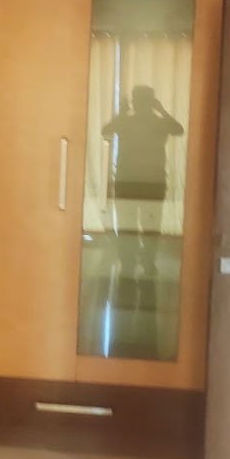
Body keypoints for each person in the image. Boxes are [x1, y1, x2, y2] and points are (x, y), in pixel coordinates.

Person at [101, 85, 184, 307]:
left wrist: (121, 113)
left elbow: (105, 131)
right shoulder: (158, 122)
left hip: (129, 182)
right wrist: (162, 110)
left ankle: (129, 263)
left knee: (128, 225)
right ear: (152, 101)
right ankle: (147, 262)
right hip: (151, 182)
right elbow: (178, 129)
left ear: (134, 102)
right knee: (150, 226)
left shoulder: (127, 122)